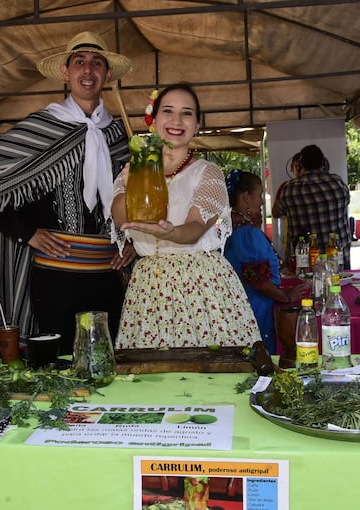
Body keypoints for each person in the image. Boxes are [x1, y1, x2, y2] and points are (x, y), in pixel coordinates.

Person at [0, 31, 136, 354]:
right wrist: (25, 232)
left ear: (107, 74)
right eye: (79, 62)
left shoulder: (119, 135)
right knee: (61, 371)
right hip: (55, 281)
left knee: (107, 366)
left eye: (97, 63)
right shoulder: (41, 129)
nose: (88, 70)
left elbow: (137, 203)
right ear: (66, 73)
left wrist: (133, 243)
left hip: (108, 280)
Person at [111, 84, 260, 349]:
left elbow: (194, 228)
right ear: (153, 120)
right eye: (167, 111)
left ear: (197, 125)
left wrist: (170, 232)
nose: (177, 120)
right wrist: (134, 184)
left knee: (210, 373)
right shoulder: (133, 171)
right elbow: (121, 216)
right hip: (148, 289)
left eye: (187, 113)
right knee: (150, 374)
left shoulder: (207, 172)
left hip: (201, 287)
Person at [224, 170, 307, 353]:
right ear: (246, 197)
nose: (262, 201)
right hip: (257, 308)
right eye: (259, 195)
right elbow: (258, 281)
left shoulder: (232, 225)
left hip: (243, 305)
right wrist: (286, 296)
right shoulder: (247, 233)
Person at [274, 144, 351, 268]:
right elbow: (346, 202)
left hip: (304, 262)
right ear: (323, 163)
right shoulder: (337, 183)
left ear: (301, 165)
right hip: (337, 259)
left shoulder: (289, 188)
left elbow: (275, 213)